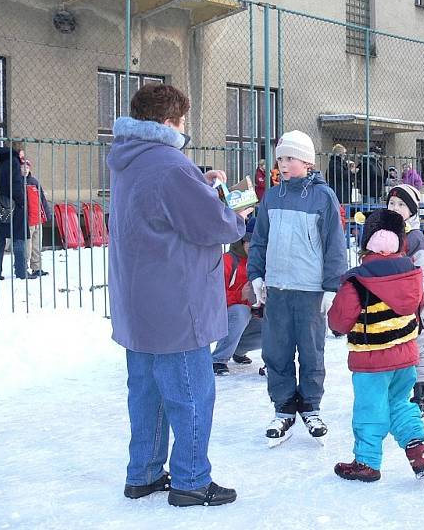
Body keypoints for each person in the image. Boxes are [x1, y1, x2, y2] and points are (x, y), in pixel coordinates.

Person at [108, 84, 246, 507]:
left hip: (138, 301)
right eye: (183, 120)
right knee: (190, 394)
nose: (185, 128)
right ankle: (191, 479)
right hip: (176, 303)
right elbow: (213, 225)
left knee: (147, 392)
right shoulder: (171, 164)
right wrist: (235, 214)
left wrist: (198, 183)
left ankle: (144, 473)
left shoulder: (127, 159)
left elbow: (161, 205)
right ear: (169, 122)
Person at [247, 130, 347, 446]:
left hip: (309, 290)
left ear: (306, 161)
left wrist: (332, 286)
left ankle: (311, 406)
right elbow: (259, 240)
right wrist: (256, 275)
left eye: (290, 158)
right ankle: (284, 408)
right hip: (277, 288)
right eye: (280, 158)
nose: (284, 164)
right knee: (276, 351)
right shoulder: (272, 197)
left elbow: (335, 244)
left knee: (311, 351)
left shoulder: (322, 197)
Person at [328, 208, 424, 482]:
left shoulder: (358, 280)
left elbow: (339, 322)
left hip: (371, 360)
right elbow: (419, 312)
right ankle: (416, 448)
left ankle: (366, 462)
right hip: (406, 357)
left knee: (370, 409)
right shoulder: (412, 275)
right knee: (399, 402)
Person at [386, 184, 424, 416]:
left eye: (402, 205)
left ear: (413, 211)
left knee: (418, 345)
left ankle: (423, 390)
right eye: (392, 203)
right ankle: (396, 391)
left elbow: (422, 274)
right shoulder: (384, 235)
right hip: (389, 302)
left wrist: (414, 298)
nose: (395, 208)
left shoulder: (415, 239)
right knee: (394, 345)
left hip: (416, 303)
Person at [212, 222, 263, 376]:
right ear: (242, 241)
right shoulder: (227, 260)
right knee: (241, 311)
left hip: (245, 318)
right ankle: (218, 359)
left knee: (273, 323)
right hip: (222, 318)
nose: (254, 247)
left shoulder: (262, 265)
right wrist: (240, 296)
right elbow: (212, 297)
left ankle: (238, 350)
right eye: (250, 242)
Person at [0, 141, 28, 280]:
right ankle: (21, 273)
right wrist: (22, 202)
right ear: (19, 150)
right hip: (13, 206)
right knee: (18, 239)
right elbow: (16, 186)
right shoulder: (14, 162)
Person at [21, 158, 52, 278]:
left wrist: (47, 215)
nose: (25, 169)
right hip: (27, 221)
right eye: (23, 167)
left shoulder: (34, 182)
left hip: (38, 219)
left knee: (37, 246)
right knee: (27, 248)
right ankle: (23, 268)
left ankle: (37, 268)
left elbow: (42, 200)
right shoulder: (17, 182)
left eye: (27, 167)